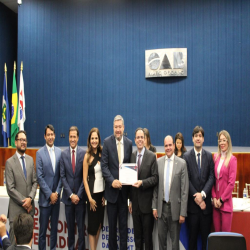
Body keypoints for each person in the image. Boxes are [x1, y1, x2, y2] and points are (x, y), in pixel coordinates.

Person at [101, 115, 132, 250]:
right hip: (112, 195)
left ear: (123, 127)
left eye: (120, 127)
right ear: (113, 128)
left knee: (123, 229)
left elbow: (131, 167)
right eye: (115, 127)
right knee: (112, 230)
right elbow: (104, 166)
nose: (118, 129)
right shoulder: (107, 142)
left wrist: (130, 198)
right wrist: (112, 181)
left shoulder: (129, 143)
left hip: (124, 195)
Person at [152, 136, 188, 250]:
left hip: (175, 210)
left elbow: (184, 190)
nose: (168, 148)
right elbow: (156, 187)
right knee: (161, 241)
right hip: (161, 209)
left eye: (170, 145)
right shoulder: (159, 162)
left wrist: (183, 212)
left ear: (174, 145)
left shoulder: (182, 163)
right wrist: (154, 207)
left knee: (174, 243)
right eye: (166, 146)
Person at [183, 126, 215, 250]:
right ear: (192, 138)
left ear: (203, 139)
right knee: (192, 240)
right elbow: (186, 179)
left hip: (206, 209)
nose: (198, 138)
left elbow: (211, 177)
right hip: (192, 208)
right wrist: (196, 197)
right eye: (196, 136)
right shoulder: (186, 157)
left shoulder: (208, 155)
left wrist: (202, 194)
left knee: (205, 241)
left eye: (200, 136)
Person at [5, 131, 38, 245]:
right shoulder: (9, 162)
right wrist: (25, 202)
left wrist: (30, 198)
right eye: (21, 140)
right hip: (16, 213)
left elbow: (35, 182)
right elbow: (10, 188)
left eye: (25, 140)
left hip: (29, 213)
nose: (23, 142)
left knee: (28, 245)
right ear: (15, 142)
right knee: (14, 246)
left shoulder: (30, 160)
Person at [129, 128, 158, 250]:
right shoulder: (131, 156)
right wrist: (130, 200)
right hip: (135, 206)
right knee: (138, 239)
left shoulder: (152, 156)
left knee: (148, 238)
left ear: (145, 139)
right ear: (135, 140)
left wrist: (142, 183)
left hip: (147, 206)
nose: (140, 140)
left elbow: (155, 178)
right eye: (138, 138)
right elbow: (130, 180)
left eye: (142, 137)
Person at [60, 126, 86, 250]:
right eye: (70, 137)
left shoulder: (84, 154)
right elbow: (63, 176)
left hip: (80, 200)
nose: (72, 139)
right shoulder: (63, 154)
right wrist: (71, 195)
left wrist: (78, 195)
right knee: (70, 230)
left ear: (78, 138)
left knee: (81, 230)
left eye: (74, 137)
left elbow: (84, 178)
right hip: (68, 200)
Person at [36, 124, 62, 250]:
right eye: (48, 135)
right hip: (45, 201)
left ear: (54, 136)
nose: (50, 137)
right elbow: (39, 177)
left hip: (56, 200)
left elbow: (61, 176)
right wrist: (50, 194)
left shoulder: (59, 152)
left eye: (52, 134)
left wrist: (56, 193)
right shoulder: (39, 153)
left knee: (54, 232)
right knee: (42, 232)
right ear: (45, 136)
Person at [83, 128, 105, 250]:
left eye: (96, 138)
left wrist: (105, 196)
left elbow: (105, 176)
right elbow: (85, 180)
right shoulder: (87, 157)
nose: (94, 140)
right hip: (92, 198)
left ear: (99, 139)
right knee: (92, 228)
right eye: (92, 138)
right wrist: (90, 199)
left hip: (101, 197)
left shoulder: (103, 154)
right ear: (89, 140)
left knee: (98, 226)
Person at [212, 130, 237, 232]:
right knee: (217, 238)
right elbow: (212, 180)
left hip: (225, 206)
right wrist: (214, 198)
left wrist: (221, 200)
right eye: (220, 141)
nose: (221, 143)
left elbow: (231, 184)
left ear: (228, 142)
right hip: (215, 206)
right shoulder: (215, 157)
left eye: (224, 140)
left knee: (225, 240)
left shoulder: (232, 160)